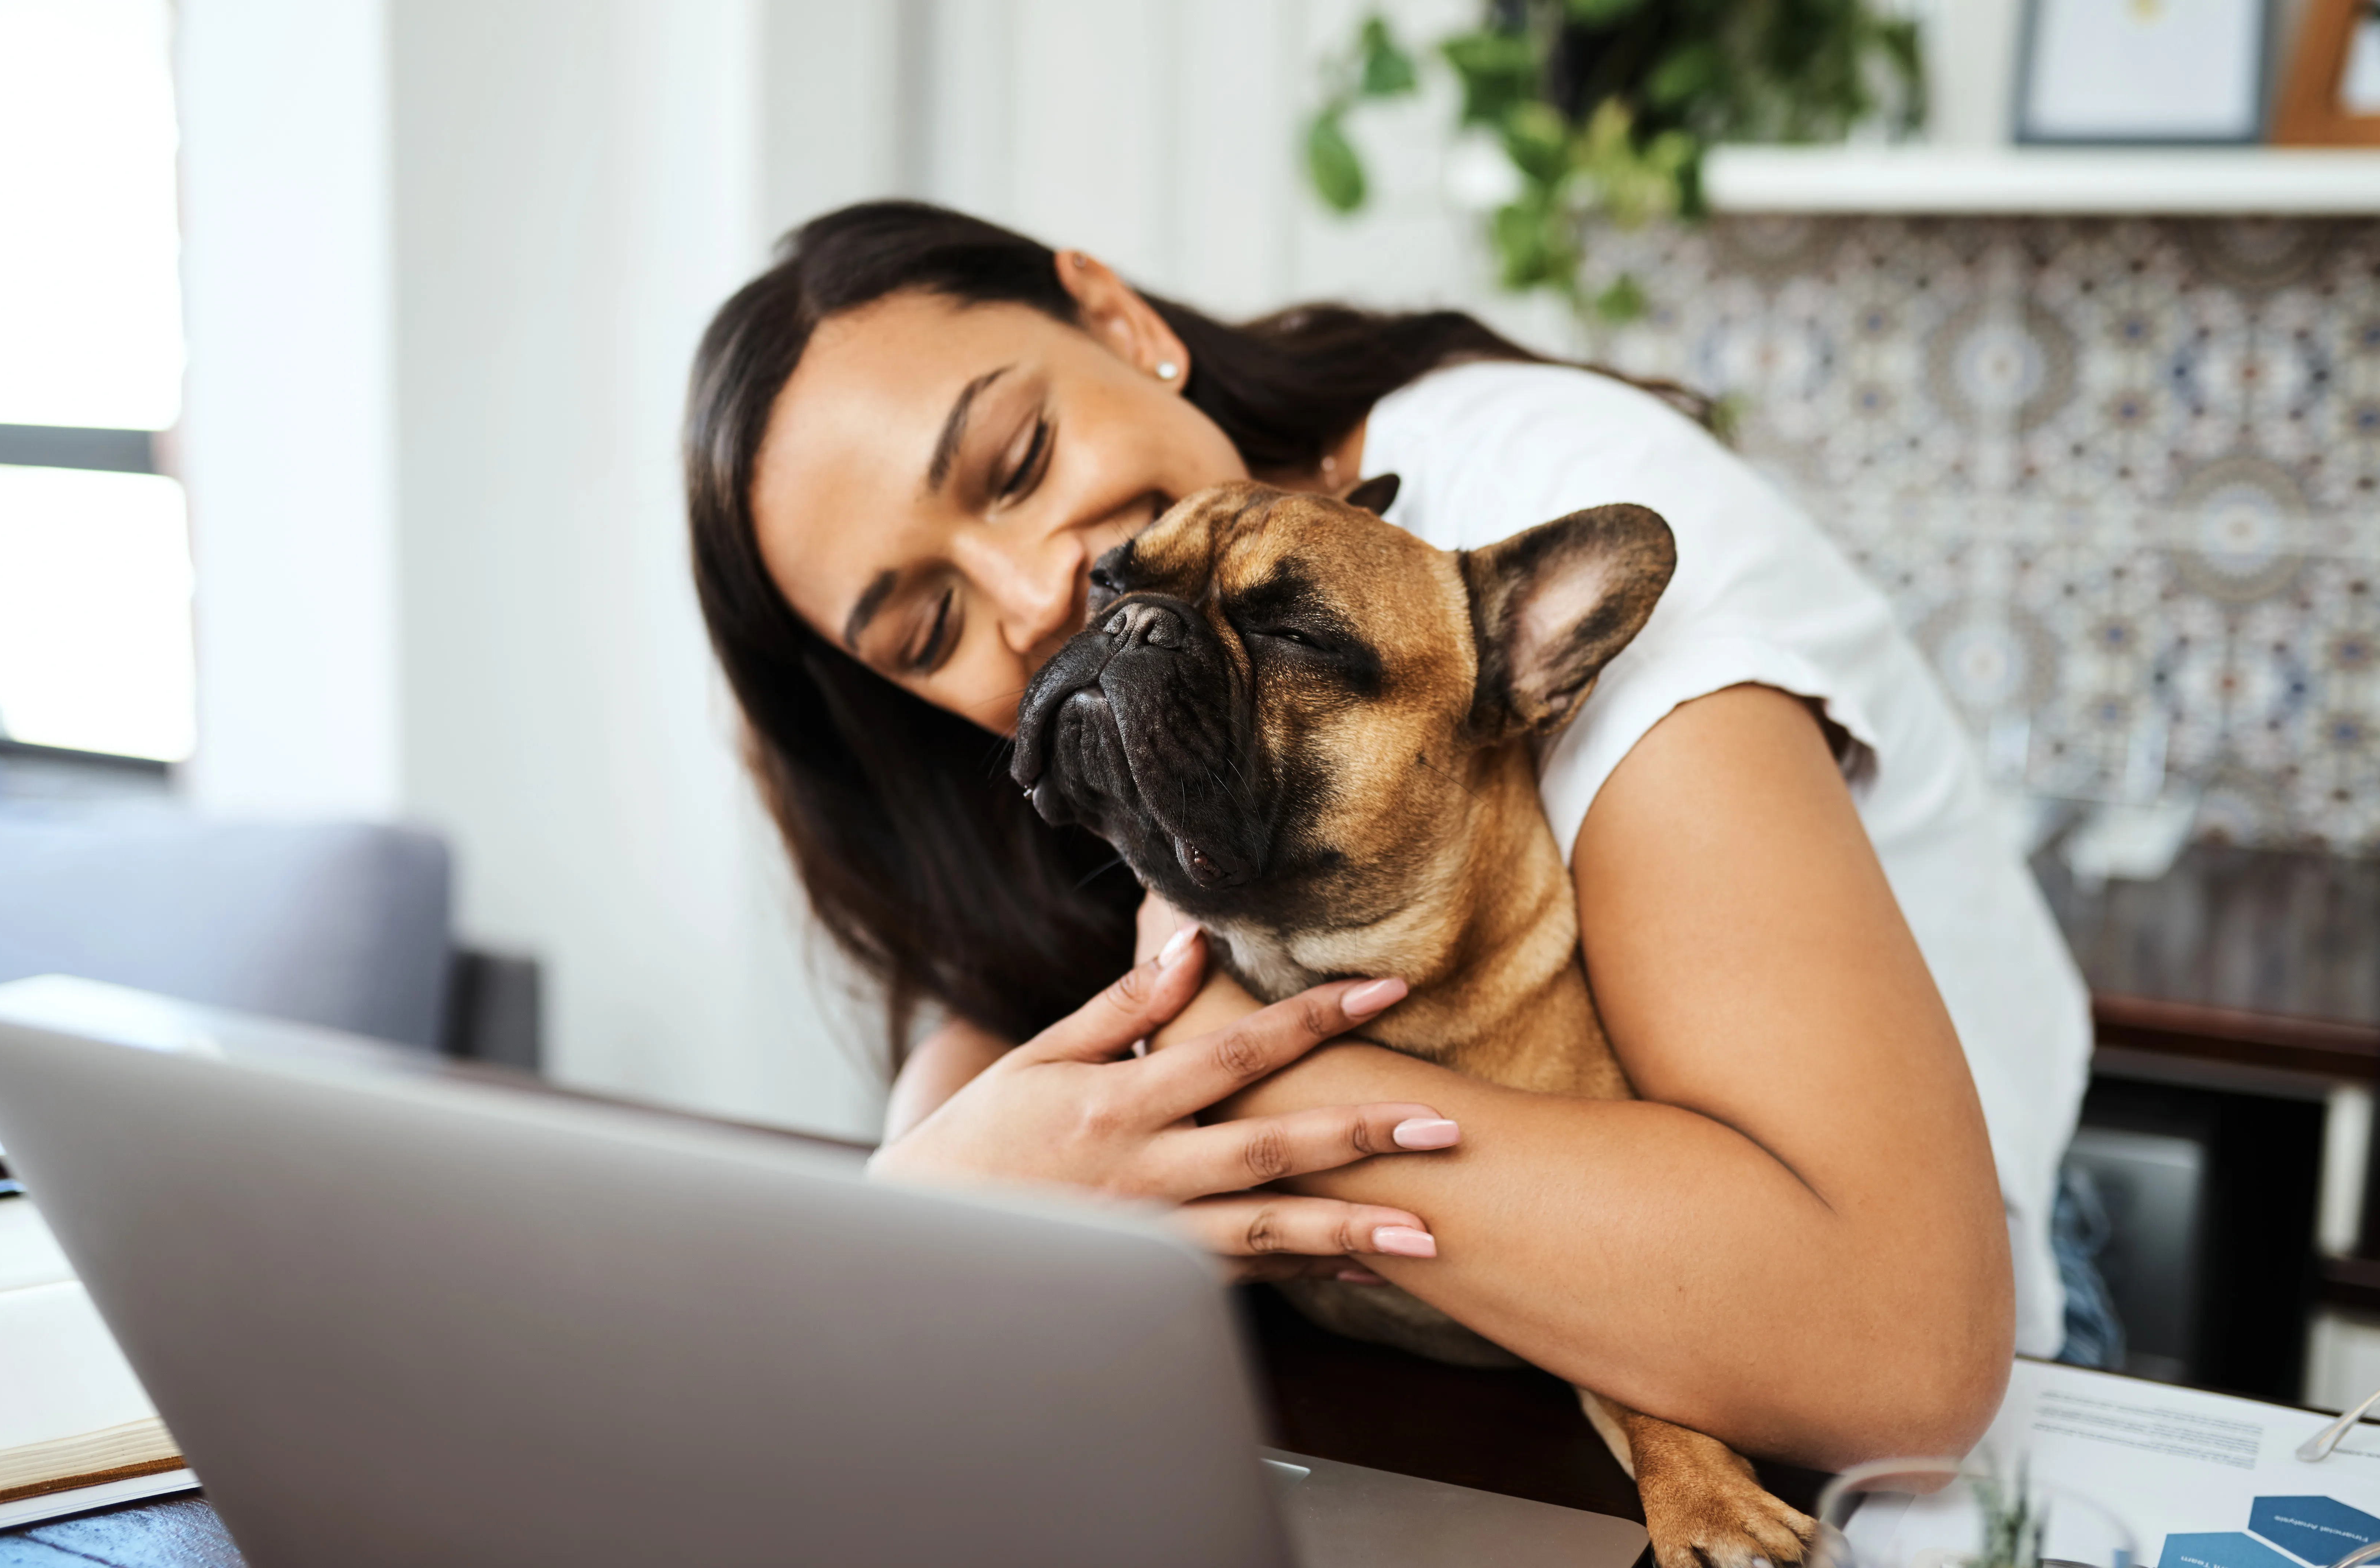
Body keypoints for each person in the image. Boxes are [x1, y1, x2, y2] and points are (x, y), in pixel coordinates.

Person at [686, 201, 2099, 1468]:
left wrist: (1201, 1072)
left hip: (1943, 1403)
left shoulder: (1530, 520)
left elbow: (1897, 1350)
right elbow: (982, 1030)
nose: (1042, 590)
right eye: (929, 626)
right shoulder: (1114, 698)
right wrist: (923, 1191)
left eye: (1021, 458)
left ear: (1117, 320)